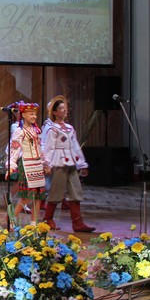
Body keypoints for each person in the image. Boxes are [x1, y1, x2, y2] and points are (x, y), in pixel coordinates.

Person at [41, 95, 95, 232]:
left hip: (71, 162)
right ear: (54, 112)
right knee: (56, 191)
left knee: (76, 191)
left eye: (65, 108)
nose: (64, 110)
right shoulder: (52, 129)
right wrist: (46, 164)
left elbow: (75, 146)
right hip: (59, 162)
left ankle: (78, 223)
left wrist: (82, 164)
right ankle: (48, 219)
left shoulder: (70, 128)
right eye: (61, 108)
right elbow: (49, 147)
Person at [6, 102, 49, 225]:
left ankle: (33, 224)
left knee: (38, 196)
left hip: (37, 164)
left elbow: (40, 149)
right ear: (24, 115)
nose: (34, 116)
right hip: (26, 164)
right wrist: (10, 166)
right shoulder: (19, 131)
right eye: (31, 114)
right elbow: (14, 150)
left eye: (35, 114)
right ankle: (11, 219)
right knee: (27, 196)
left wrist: (45, 164)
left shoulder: (36, 131)